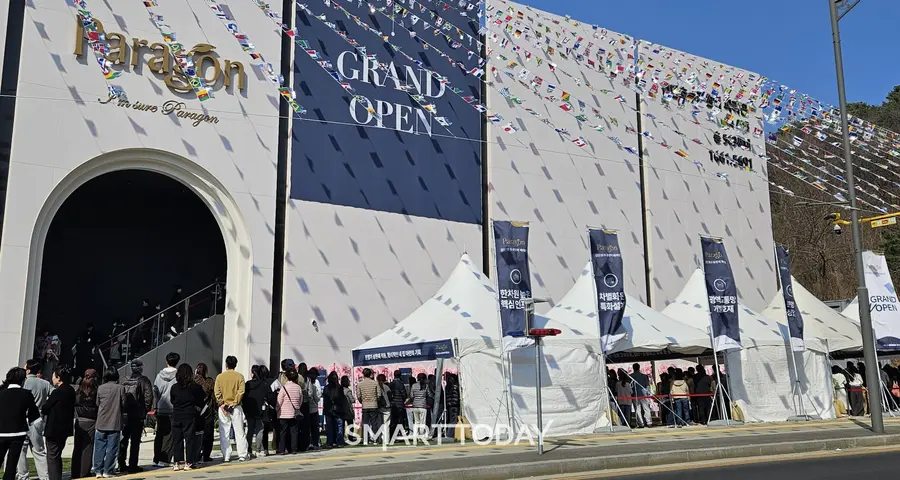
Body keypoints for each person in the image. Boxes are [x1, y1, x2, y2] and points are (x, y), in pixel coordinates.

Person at [0, 367, 40, 480]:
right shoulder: (26, 394)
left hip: (1, 432)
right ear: (23, 380)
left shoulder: (1, 393)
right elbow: (34, 415)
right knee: (11, 466)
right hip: (18, 433)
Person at [18, 358, 51, 480]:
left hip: (23, 418)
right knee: (39, 451)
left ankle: (23, 476)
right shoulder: (45, 384)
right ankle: (44, 477)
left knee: (21, 450)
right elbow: (54, 396)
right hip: (38, 418)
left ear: (28, 370)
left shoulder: (23, 383)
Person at [118, 359, 153, 474]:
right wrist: (145, 410)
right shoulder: (144, 380)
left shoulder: (124, 380)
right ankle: (133, 465)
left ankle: (121, 463)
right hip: (137, 415)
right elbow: (148, 397)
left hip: (125, 414)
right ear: (141, 368)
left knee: (123, 440)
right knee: (135, 441)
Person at [42, 365, 75, 480]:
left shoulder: (57, 392)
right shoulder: (71, 390)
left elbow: (46, 408)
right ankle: (58, 476)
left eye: (54, 376)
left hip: (54, 428)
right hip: (65, 428)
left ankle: (55, 478)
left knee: (52, 456)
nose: (52, 378)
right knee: (57, 455)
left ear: (58, 377)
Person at [170, 364, 204, 471]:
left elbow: (172, 400)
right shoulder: (194, 387)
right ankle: (189, 462)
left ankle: (177, 462)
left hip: (176, 414)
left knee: (177, 438)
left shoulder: (174, 387)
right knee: (189, 439)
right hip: (189, 414)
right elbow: (201, 399)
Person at [215, 355, 248, 462]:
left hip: (223, 407)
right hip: (236, 407)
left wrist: (222, 403)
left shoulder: (220, 377)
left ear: (226, 364)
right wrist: (234, 402)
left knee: (224, 432)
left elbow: (217, 392)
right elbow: (241, 391)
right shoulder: (240, 377)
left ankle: (226, 455)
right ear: (235, 364)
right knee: (239, 431)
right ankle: (242, 454)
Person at [94, 368, 125, 478]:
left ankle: (98, 470)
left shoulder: (100, 388)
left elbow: (97, 403)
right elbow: (123, 403)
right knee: (112, 448)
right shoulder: (120, 388)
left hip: (101, 420)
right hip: (114, 421)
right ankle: (108, 470)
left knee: (99, 447)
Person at [71, 369, 99, 479]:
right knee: (88, 447)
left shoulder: (79, 389)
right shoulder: (96, 389)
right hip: (91, 419)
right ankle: (84, 472)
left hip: (79, 419)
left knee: (77, 447)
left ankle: (75, 472)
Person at [243, 365, 270, 458]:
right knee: (260, 430)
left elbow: (244, 397)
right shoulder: (263, 384)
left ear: (252, 373)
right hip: (260, 411)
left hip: (249, 410)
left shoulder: (248, 384)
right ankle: (259, 449)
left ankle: (248, 449)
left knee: (250, 430)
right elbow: (267, 396)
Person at [276, 368, 303, 454]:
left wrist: (277, 409)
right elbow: (300, 399)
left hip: (283, 413)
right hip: (294, 413)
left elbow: (279, 400)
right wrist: (297, 407)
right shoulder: (298, 387)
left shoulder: (284, 388)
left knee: (283, 432)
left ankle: (282, 449)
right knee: (294, 432)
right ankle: (294, 449)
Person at [193, 363, 216, 463]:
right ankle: (206, 455)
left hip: (196, 411)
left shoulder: (193, 381)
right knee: (208, 434)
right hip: (208, 410)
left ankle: (196, 454)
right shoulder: (210, 381)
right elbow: (214, 396)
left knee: (196, 434)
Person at [357, 369, 383, 443]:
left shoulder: (360, 384)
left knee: (365, 423)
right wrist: (375, 400)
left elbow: (359, 396)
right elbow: (379, 395)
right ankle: (377, 439)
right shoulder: (375, 383)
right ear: (370, 374)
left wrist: (362, 401)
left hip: (365, 405)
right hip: (374, 405)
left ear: (363, 374)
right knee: (374, 423)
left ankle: (365, 439)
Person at [322, 372, 346, 448]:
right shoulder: (339, 387)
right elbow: (342, 399)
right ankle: (340, 442)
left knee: (329, 427)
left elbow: (325, 400)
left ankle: (330, 443)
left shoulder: (326, 388)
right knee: (339, 426)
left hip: (328, 410)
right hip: (338, 409)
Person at [408, 373, 431, 439]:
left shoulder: (414, 385)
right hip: (423, 405)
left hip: (415, 405)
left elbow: (411, 396)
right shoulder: (426, 386)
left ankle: (415, 435)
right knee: (422, 422)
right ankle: (421, 435)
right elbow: (428, 394)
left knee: (416, 421)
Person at [630, 364, 652, 428]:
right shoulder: (644, 376)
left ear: (633, 368)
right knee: (646, 409)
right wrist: (648, 393)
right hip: (644, 394)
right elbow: (647, 385)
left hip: (635, 395)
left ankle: (640, 423)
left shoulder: (631, 376)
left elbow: (630, 387)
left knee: (637, 409)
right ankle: (649, 422)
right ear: (639, 368)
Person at [305, 368, 322, 450]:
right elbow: (317, 396)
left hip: (311, 408)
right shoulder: (312, 384)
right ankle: (313, 442)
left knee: (313, 427)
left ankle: (314, 442)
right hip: (312, 408)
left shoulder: (313, 382)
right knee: (312, 427)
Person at [388, 370, 409, 438]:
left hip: (393, 404)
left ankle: (392, 435)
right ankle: (401, 434)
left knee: (393, 421)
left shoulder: (391, 384)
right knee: (400, 420)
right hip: (400, 404)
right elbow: (404, 394)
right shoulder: (400, 384)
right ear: (400, 376)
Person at [444, 373, 461, 439]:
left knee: (451, 419)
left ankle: (450, 433)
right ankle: (450, 434)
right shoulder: (455, 387)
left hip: (449, 405)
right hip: (455, 405)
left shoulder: (447, 387)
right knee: (453, 420)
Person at [376, 373, 391, 440]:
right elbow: (390, 397)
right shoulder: (387, 387)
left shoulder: (376, 386)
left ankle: (380, 438)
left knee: (379, 424)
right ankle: (386, 439)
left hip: (379, 407)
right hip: (387, 407)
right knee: (386, 424)